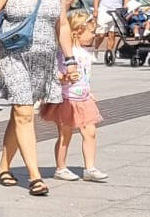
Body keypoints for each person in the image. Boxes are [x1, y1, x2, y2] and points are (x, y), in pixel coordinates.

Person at [0, 0, 74, 197]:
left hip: (42, 60)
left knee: (21, 114)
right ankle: (35, 177)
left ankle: (3, 168)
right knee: (24, 113)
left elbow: (62, 23)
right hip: (12, 56)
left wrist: (70, 59)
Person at [45, 10, 105, 183]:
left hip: (84, 98)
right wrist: (64, 78)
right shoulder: (66, 53)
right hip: (68, 99)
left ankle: (90, 168)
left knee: (90, 132)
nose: (93, 36)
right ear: (78, 31)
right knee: (65, 134)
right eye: (91, 32)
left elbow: (85, 76)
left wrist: (89, 90)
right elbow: (55, 74)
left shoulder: (86, 54)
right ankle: (61, 167)